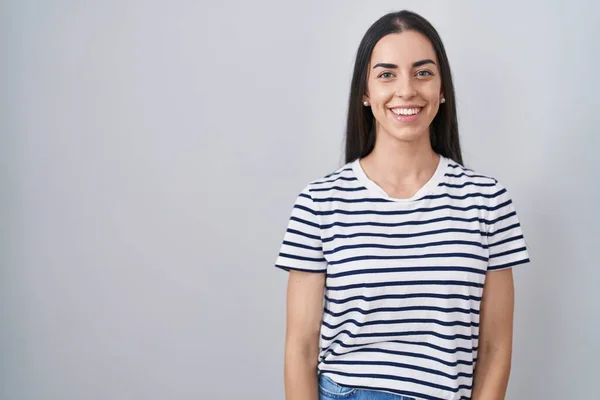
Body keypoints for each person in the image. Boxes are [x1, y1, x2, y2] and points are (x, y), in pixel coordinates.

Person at [274, 10, 530, 400]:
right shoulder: (319, 202)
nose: (406, 90)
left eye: (423, 72)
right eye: (386, 74)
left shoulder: (488, 201)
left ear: (443, 88)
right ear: (365, 91)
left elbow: (495, 351)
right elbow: (300, 351)